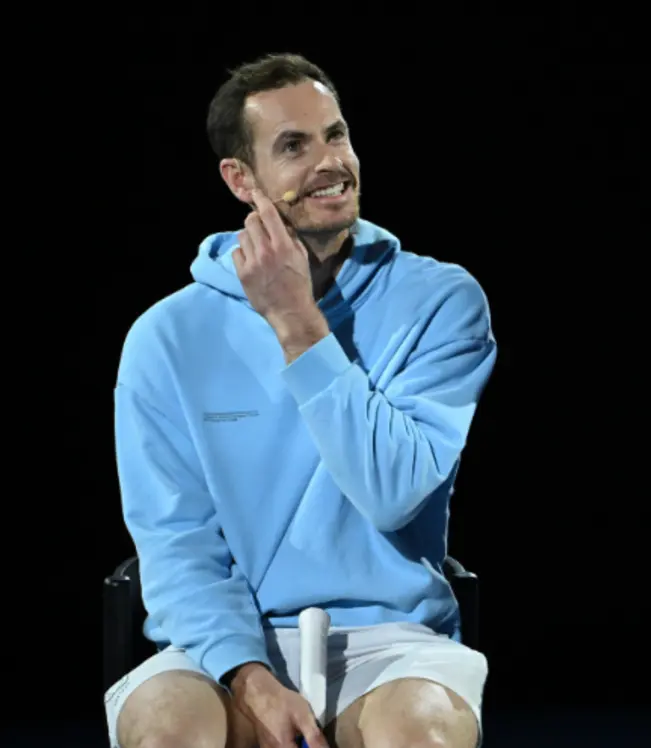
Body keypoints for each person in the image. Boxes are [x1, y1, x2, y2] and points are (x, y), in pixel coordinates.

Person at [104, 53, 496, 748]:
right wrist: (249, 675)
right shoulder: (166, 336)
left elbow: (394, 493)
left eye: (336, 135)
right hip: (222, 649)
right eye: (294, 146)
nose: (330, 162)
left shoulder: (440, 301)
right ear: (241, 179)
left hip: (393, 640)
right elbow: (177, 543)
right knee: (168, 729)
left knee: (423, 732)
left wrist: (297, 324)